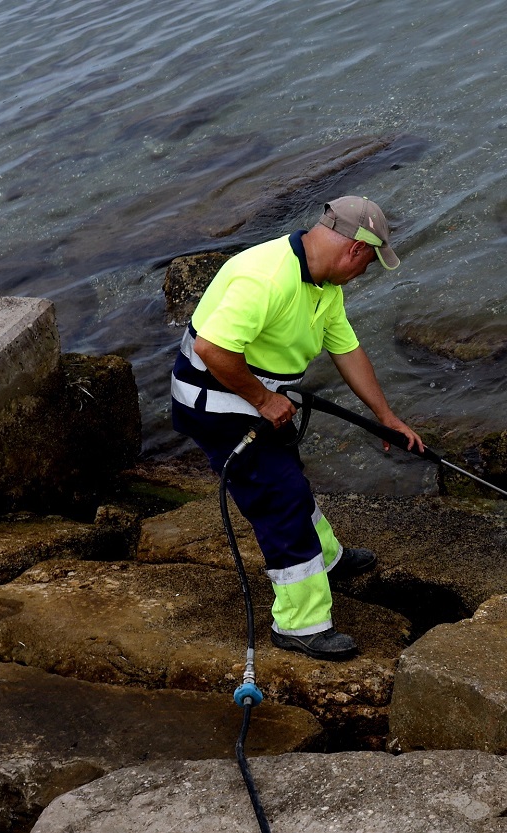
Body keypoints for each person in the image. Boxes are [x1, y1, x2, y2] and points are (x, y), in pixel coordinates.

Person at [170, 195, 423, 661]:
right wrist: (265, 401)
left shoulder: (325, 286)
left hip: (257, 398)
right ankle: (300, 625)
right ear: (355, 250)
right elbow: (212, 349)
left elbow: (346, 350)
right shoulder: (265, 277)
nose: (364, 273)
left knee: (286, 476)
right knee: (278, 497)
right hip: (217, 404)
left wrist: (384, 418)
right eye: (368, 263)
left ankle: (325, 559)